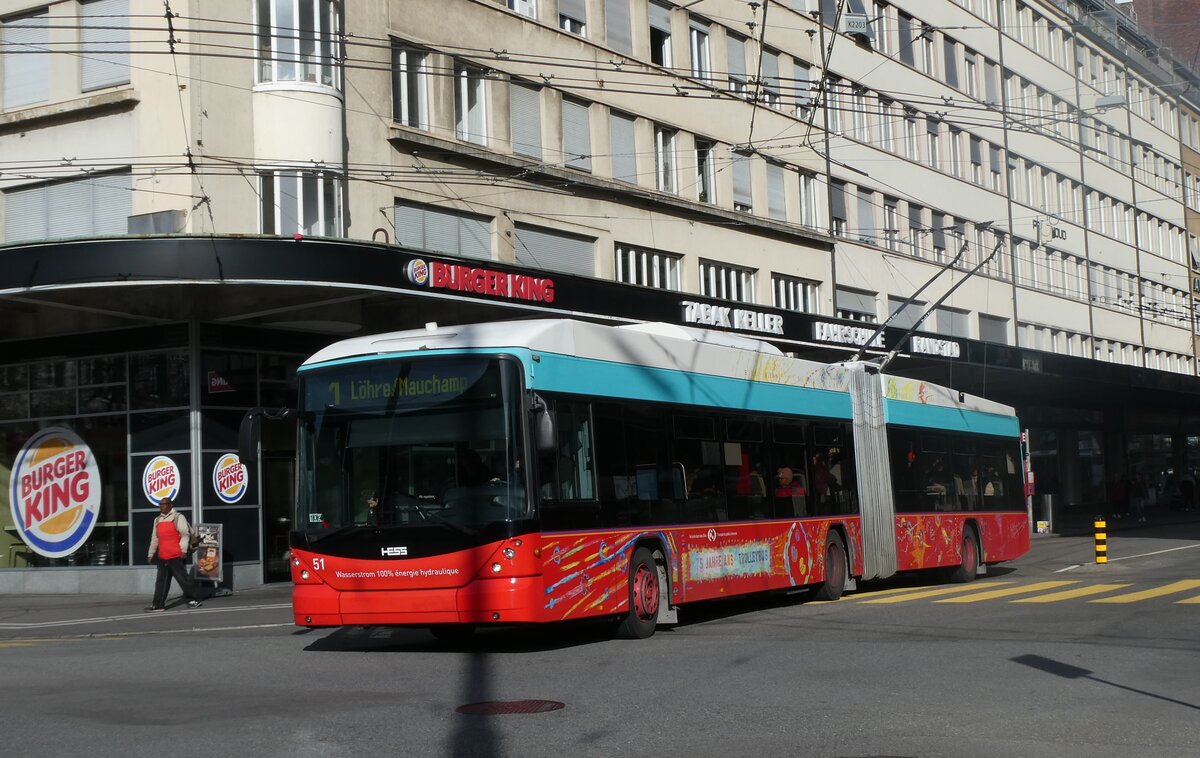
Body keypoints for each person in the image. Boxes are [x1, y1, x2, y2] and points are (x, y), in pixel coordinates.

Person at [145, 496, 203, 612]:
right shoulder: (157, 520)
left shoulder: (178, 517)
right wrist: (150, 554)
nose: (161, 506)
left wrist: (183, 551)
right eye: (160, 504)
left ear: (170, 505)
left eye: (164, 504)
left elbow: (185, 534)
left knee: (183, 580)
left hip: (176, 555)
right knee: (161, 581)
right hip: (163, 556)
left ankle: (194, 600)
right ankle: (158, 605)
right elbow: (155, 538)